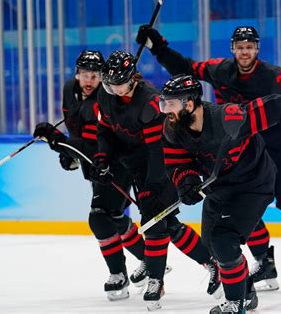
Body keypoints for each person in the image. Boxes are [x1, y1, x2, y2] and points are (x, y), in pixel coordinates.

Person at [137, 24, 281, 291]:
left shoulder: (276, 77)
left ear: (257, 49)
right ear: (233, 49)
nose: (244, 52)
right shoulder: (219, 69)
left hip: (277, 146)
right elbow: (186, 70)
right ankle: (263, 261)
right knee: (240, 207)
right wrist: (160, 49)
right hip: (237, 146)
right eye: (240, 47)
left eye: (249, 47)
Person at [159, 75, 281, 313]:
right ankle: (247, 293)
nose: (165, 110)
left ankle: (235, 304)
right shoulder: (173, 129)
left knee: (224, 240)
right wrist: (186, 181)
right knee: (214, 248)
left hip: (253, 185)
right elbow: (177, 163)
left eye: (171, 104)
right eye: (164, 103)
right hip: (219, 190)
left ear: (189, 104)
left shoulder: (229, 118)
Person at [93, 50, 221, 310]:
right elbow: (105, 129)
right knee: (166, 224)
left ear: (132, 80)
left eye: (118, 84)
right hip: (131, 162)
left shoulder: (150, 102)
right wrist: (102, 158)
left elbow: (157, 150)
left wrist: (152, 187)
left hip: (161, 162)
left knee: (155, 222)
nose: (114, 89)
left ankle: (155, 279)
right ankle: (208, 263)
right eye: (110, 83)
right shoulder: (105, 94)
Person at [32, 50, 149, 301]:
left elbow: (99, 141)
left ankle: (118, 275)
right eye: (85, 74)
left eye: (95, 75)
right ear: (76, 74)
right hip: (93, 161)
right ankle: (149, 257)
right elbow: (75, 126)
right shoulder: (69, 89)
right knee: (114, 217)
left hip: (115, 161)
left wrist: (59, 142)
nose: (89, 80)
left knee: (99, 216)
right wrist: (67, 152)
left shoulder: (107, 97)